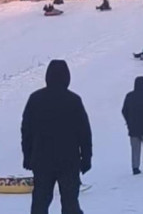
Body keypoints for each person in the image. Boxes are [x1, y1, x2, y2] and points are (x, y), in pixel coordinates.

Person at [22, 60, 92, 214]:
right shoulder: (73, 100)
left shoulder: (35, 99)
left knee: (40, 203)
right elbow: (84, 133)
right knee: (70, 203)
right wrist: (86, 158)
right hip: (69, 161)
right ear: (67, 77)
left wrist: (27, 156)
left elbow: (26, 131)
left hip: (42, 160)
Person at [121, 76, 143, 175]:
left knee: (135, 148)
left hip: (133, 127)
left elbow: (124, 110)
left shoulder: (129, 96)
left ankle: (135, 167)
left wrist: (129, 121)